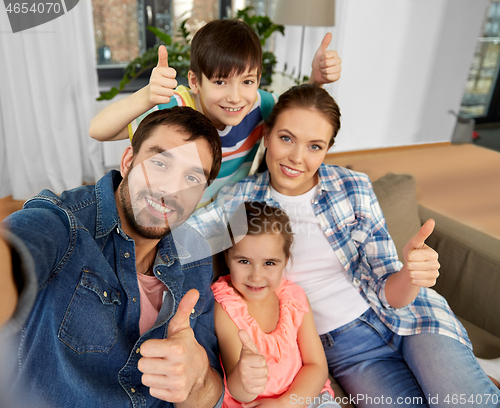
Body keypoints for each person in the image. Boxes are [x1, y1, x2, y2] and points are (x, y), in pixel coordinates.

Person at [187, 84, 500, 408]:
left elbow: (392, 295)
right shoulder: (242, 202)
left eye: (315, 146)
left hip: (412, 318)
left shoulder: (353, 187)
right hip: (345, 347)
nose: (296, 157)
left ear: (327, 149)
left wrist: (410, 273)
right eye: (286, 138)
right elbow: (181, 243)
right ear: (266, 135)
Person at [0, 107, 225, 408]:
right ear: (129, 160)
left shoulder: (194, 254)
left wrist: (197, 380)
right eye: (160, 163)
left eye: (193, 178)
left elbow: (207, 396)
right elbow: (22, 244)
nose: (171, 189)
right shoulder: (63, 223)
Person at [89, 19, 342, 206]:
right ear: (195, 82)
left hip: (219, 218)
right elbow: (98, 130)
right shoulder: (175, 107)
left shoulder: (260, 104)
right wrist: (147, 96)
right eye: (220, 82)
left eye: (247, 81)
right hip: (165, 210)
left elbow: (297, 118)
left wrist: (315, 82)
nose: (235, 97)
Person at [212, 201, 340, 408]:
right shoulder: (225, 305)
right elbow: (239, 391)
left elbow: (316, 366)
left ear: (285, 260)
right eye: (243, 261)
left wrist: (285, 404)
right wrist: (246, 377)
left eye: (269, 263)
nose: (256, 276)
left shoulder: (294, 298)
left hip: (304, 397)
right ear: (227, 257)